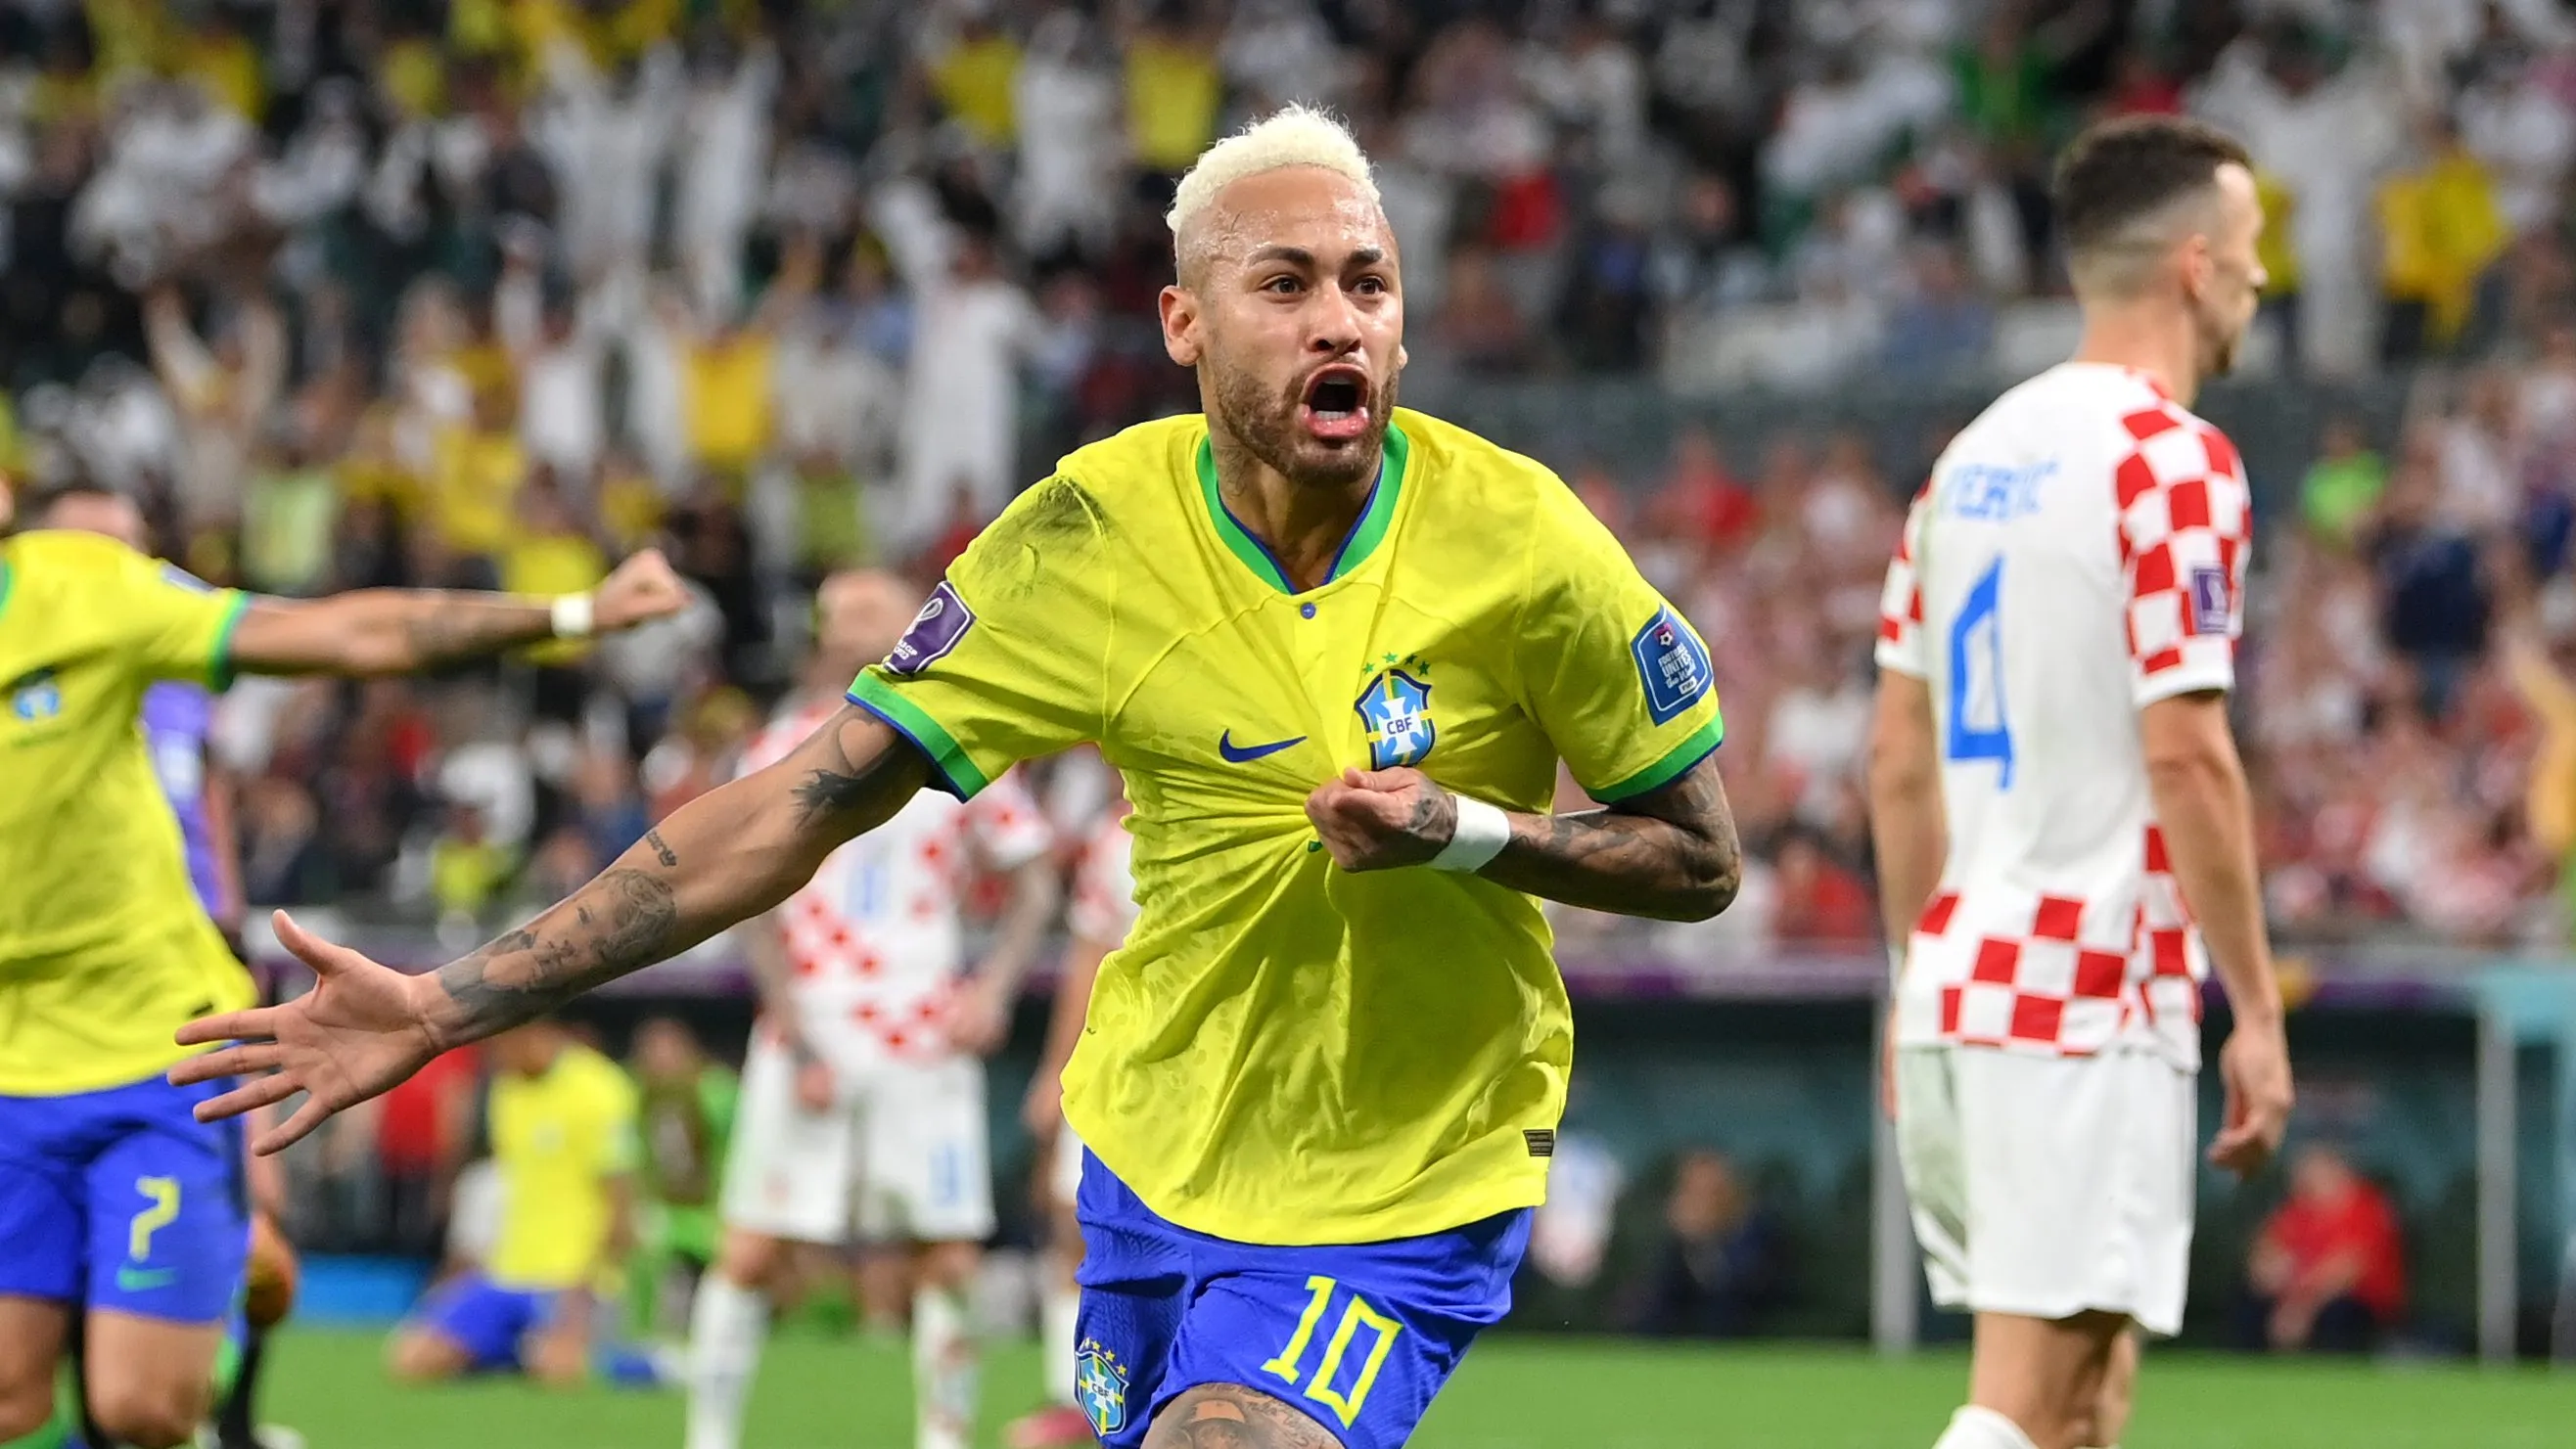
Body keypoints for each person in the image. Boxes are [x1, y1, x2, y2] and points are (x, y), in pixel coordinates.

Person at [177, 103, 1744, 1449]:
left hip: (1410, 1170)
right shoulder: (1087, 538)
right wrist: (445, 1004)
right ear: (1184, 323)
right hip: (1156, 1154)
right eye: (1285, 284)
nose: (1339, 321)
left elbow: (1700, 858)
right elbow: (795, 807)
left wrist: (1468, 831)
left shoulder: (1523, 543)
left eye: (1368, 283)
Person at [0, 465, 686, 1449]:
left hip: (153, 1044)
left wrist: (572, 612)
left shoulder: (93, 593)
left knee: (142, 1407)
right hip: (11, 1065)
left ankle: (223, 1349)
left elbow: (352, 633)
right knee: (11, 1400)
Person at [1868, 114, 2295, 1449]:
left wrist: (1915, 974)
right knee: (2031, 1398)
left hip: (1963, 980)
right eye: (2251, 247)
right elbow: (2187, 752)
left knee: (2086, 1400)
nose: (2262, 276)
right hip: (2083, 987)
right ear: (2194, 264)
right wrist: (2259, 1008)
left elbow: (1896, 760)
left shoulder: (1968, 463)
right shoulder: (2172, 459)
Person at [685, 569, 1060, 1449]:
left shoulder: (962, 737)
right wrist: (787, 1015)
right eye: (836, 610)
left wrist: (993, 989)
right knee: (751, 1247)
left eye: (868, 605)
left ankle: (944, 1438)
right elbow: (744, 895)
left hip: (922, 1033)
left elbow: (1036, 879)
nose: (847, 619)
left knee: (947, 1253)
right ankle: (709, 1436)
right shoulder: (780, 746)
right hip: (811, 1023)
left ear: (913, 618)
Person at [23, 483, 296, 1449]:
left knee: (262, 1239)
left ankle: (227, 1418)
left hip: (181, 980)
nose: (116, 568)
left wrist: (231, 931)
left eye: (131, 548)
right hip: (42, 997)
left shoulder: (181, 676)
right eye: (90, 545)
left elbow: (208, 812)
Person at [384, 1019, 660, 1387]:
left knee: (559, 1372)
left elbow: (621, 1209)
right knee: (410, 1359)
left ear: (526, 1032)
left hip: (572, 1281)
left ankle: (640, 1363)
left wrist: (585, 1292)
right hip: (508, 1274)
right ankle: (523, 1350)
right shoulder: (506, 1090)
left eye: (495, 1047)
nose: (491, 1060)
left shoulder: (599, 1088)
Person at [1007, 791, 1135, 1449]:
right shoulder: (1114, 839)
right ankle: (1076, 1399)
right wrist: (1055, 1072)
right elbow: (1088, 958)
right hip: (1114, 1068)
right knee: (1073, 1228)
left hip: (1213, 1076)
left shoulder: (1237, 819)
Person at [629, 1017, 736, 1341]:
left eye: (668, 1050)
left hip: (714, 1207)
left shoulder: (716, 1090)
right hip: (667, 1210)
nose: (661, 1061)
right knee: (666, 1280)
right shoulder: (638, 1095)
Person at [2240, 1145, 2405, 1354]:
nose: (2301, 1181)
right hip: (2297, 1295)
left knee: (2338, 1314)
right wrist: (2270, 1272)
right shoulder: (2299, 1209)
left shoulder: (2367, 1207)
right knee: (2250, 1305)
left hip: (2359, 1303)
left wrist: (2300, 1307)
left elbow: (2345, 1273)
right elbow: (2265, 1253)